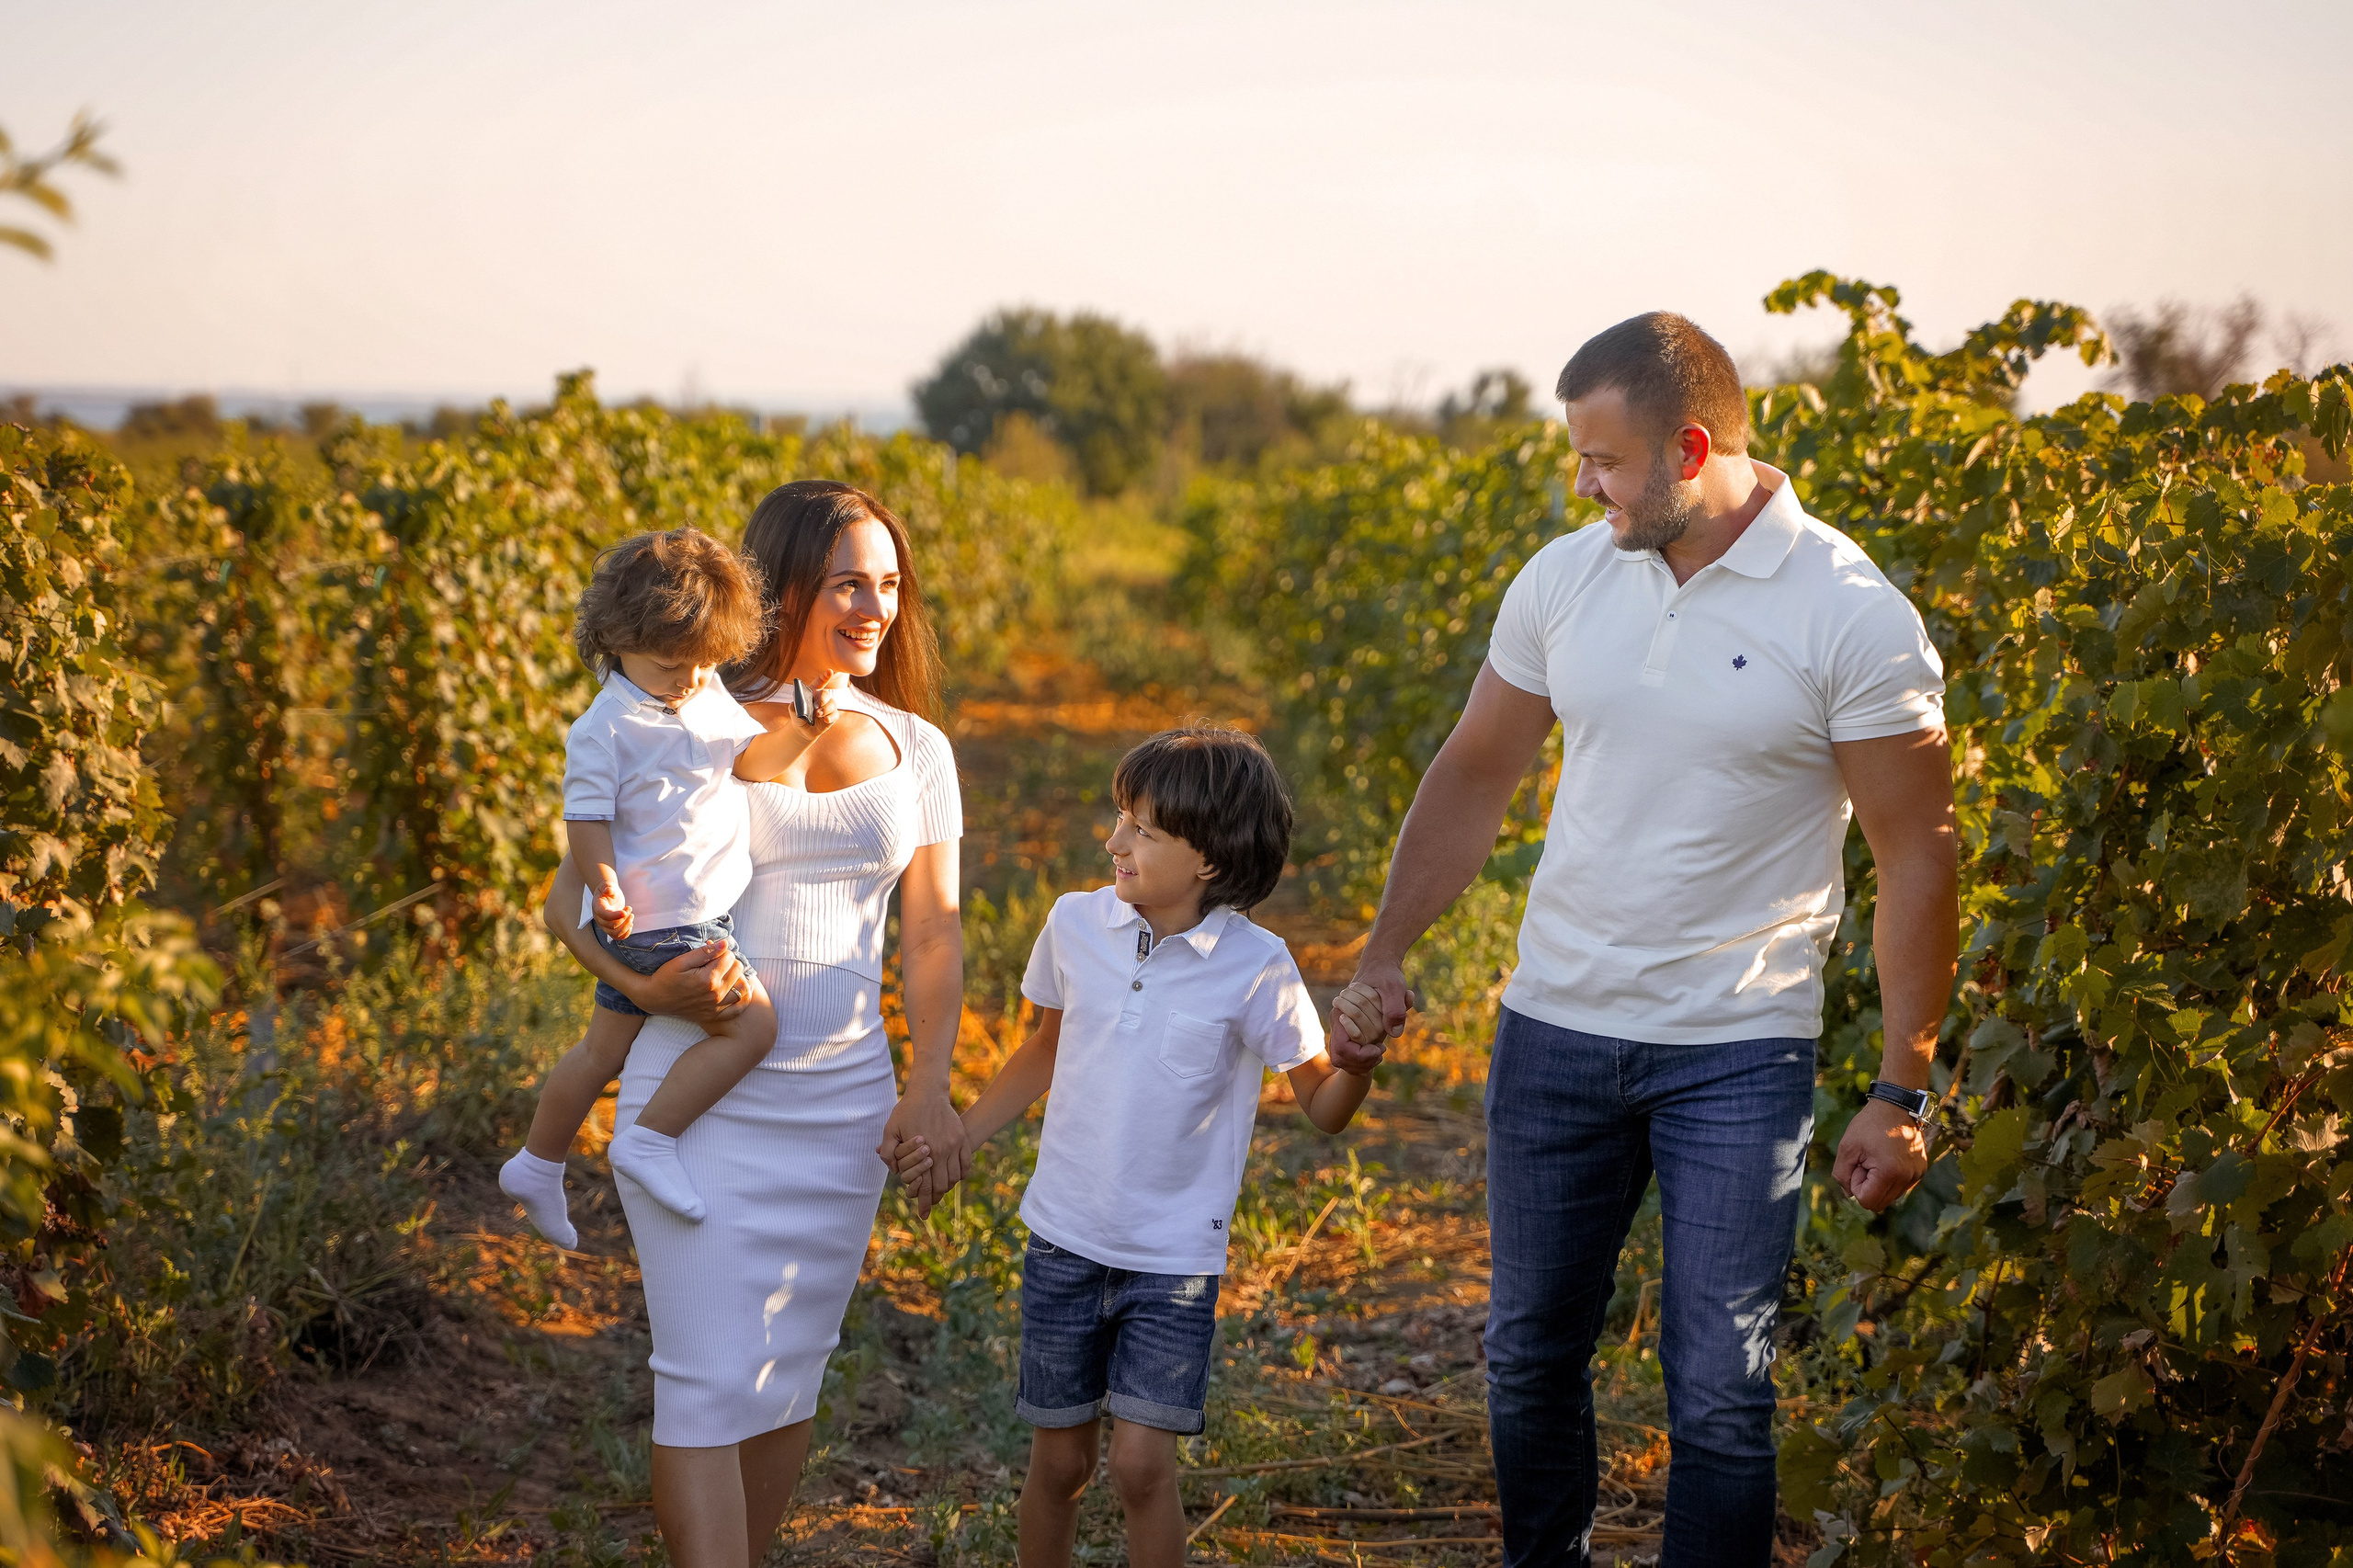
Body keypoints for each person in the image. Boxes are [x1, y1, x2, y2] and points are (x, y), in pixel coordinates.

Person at [1328, 312, 1959, 1568]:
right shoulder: (1564, 578)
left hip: (1739, 1048)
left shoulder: (1852, 612)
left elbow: (1916, 853)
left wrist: (1904, 1082)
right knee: (1527, 1353)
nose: (1582, 482)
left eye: (1604, 459)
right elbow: (1474, 773)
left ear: (1692, 446)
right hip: (1556, 1025)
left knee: (1723, 1385)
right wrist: (1386, 948)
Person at [542, 482, 968, 1568]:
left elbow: (931, 936)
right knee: (701, 1382)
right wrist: (638, 990)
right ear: (784, 590)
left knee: (787, 1371)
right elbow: (568, 902)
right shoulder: (689, 719)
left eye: (888, 583)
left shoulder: (917, 746)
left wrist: (926, 1084)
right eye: (846, 584)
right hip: (700, 1094)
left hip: (844, 1106)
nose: (875, 606)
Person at [900, 725, 1370, 1568]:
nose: (1114, 841)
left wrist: (1359, 1064)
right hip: (1065, 1239)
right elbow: (1044, 1047)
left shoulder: (1258, 968)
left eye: (1143, 830)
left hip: (1174, 1262)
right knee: (1062, 1464)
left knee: (1141, 1467)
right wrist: (956, 1138)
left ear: (1211, 861)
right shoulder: (1077, 924)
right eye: (1121, 818)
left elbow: (1323, 1105)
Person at [501, 528, 835, 1243]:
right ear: (614, 639)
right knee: (752, 1026)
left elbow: (749, 763)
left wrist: (802, 735)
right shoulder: (606, 727)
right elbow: (585, 818)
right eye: (668, 665)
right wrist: (604, 884)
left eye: (703, 663)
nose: (686, 680)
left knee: (600, 1051)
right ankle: (648, 1139)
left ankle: (537, 1160)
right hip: (675, 922)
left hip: (663, 919)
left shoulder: (704, 693)